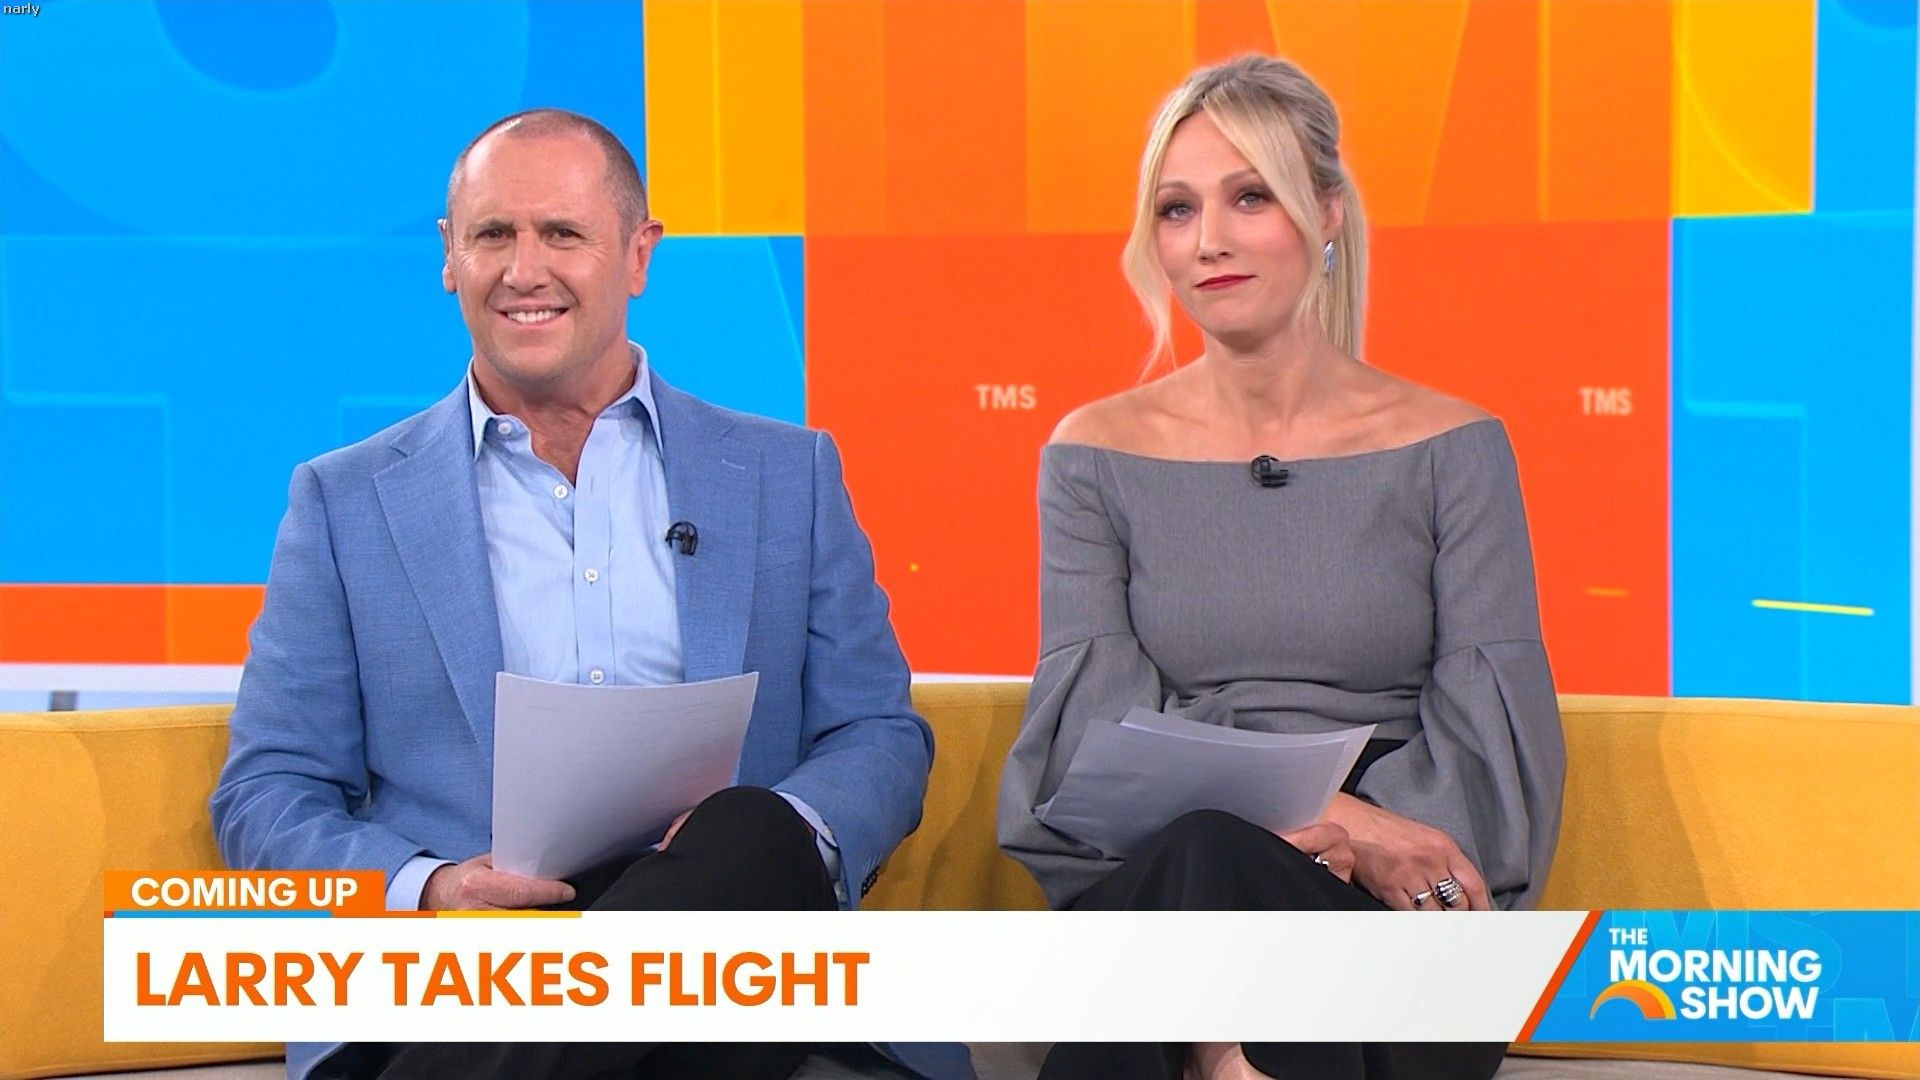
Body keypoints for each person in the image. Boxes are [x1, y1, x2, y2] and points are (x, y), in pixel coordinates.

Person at [211, 108, 970, 1080]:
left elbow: (878, 734)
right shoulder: (346, 500)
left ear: (639, 255)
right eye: (493, 234)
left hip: (736, 955)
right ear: (449, 257)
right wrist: (429, 888)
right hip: (473, 970)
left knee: (750, 833)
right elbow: (268, 790)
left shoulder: (788, 475)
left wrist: (776, 845)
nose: (523, 270)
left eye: (562, 233)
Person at [996, 56, 1566, 1080]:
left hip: (1389, 912)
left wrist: (1371, 841)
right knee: (1209, 854)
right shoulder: (1092, 456)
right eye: (1177, 209)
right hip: (1170, 868)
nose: (1207, 239)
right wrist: (1329, 816)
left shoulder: (1455, 449)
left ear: (1327, 212)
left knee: (1212, 868)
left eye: (1249, 197)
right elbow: (1096, 740)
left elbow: (1494, 750)